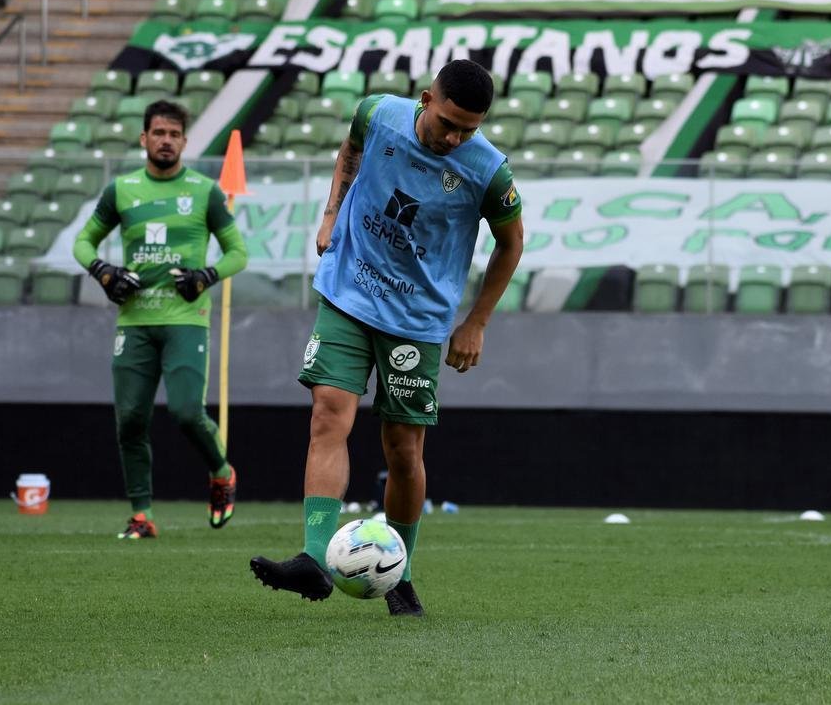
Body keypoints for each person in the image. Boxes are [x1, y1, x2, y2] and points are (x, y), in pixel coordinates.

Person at [250, 59, 524, 616]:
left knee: (403, 451)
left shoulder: (488, 170)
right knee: (328, 414)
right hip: (349, 290)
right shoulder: (376, 114)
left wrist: (476, 322)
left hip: (417, 320)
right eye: (448, 122)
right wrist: (331, 214)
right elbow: (348, 154)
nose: (455, 137)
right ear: (426, 98)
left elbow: (511, 243)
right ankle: (311, 557)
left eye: (468, 129)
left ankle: (399, 573)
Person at [73, 99, 249, 539]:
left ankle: (222, 472)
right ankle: (142, 515)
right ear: (144, 138)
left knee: (188, 412)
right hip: (134, 323)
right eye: (159, 133)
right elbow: (82, 243)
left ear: (185, 142)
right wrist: (103, 272)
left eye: (174, 134)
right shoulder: (121, 190)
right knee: (130, 419)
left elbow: (238, 254)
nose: (166, 141)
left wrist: (206, 276)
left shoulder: (206, 192)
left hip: (185, 320)